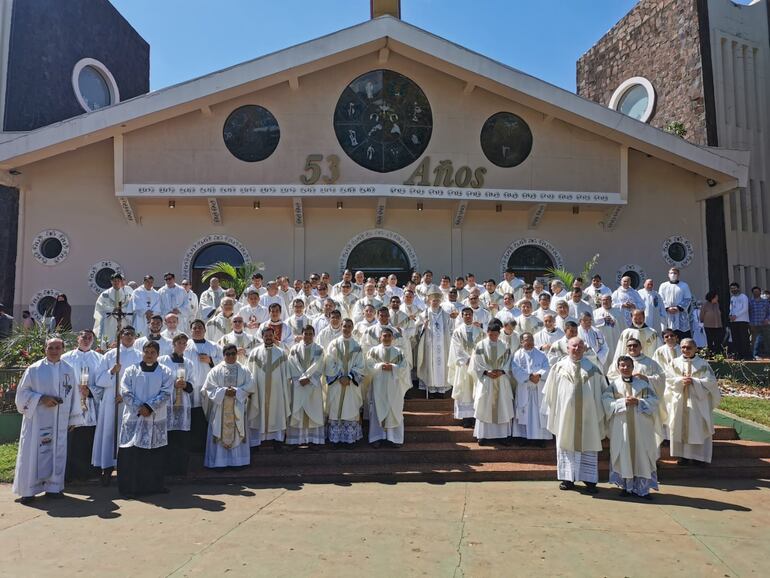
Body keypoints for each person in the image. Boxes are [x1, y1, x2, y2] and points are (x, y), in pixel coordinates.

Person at [13, 337, 84, 503]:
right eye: (51, 347)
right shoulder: (34, 369)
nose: (54, 351)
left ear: (63, 349)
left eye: (58, 348)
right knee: (32, 453)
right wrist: (41, 398)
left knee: (57, 452)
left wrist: (73, 418)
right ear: (45, 349)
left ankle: (54, 488)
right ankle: (28, 490)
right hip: (37, 421)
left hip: (59, 420)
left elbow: (74, 395)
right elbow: (22, 395)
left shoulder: (68, 369)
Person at [542, 337, 607, 494]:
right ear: (567, 348)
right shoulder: (558, 368)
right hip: (566, 415)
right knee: (566, 443)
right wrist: (554, 412)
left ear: (584, 349)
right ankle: (567, 478)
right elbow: (549, 394)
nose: (577, 348)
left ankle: (589, 479)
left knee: (588, 445)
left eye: (580, 346)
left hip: (588, 416)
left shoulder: (593, 369)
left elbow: (602, 393)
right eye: (573, 345)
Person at [117, 341, 173, 498]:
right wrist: (139, 407)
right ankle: (130, 488)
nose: (149, 354)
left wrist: (149, 407)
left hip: (155, 417)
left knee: (154, 454)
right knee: (132, 453)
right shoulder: (131, 370)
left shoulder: (165, 371)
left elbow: (166, 392)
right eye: (146, 351)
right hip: (135, 417)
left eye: (152, 352)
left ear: (158, 354)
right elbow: (125, 391)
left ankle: (154, 486)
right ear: (142, 352)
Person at [603, 356, 659, 499]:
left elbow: (654, 401)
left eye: (628, 366)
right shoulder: (613, 385)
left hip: (641, 428)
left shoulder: (643, 385)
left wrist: (639, 402)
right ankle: (626, 487)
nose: (625, 368)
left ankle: (643, 489)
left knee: (642, 454)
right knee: (624, 454)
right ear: (618, 367)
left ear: (633, 367)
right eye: (622, 366)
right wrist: (623, 402)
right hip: (622, 427)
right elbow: (606, 402)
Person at [92, 326, 142, 486]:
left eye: (132, 334)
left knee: (128, 433)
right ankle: (106, 467)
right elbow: (99, 380)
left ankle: (126, 468)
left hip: (130, 401)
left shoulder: (140, 356)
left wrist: (125, 395)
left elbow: (141, 380)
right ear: (120, 336)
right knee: (109, 432)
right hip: (111, 399)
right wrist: (112, 372)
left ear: (135, 337)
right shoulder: (109, 355)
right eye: (126, 334)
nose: (129, 337)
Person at [664, 338, 721, 465]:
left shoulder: (703, 364)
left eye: (689, 348)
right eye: (683, 347)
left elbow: (711, 382)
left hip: (697, 402)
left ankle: (698, 457)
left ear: (695, 348)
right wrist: (679, 381)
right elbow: (667, 380)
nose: (685, 350)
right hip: (679, 400)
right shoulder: (674, 363)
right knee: (679, 426)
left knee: (697, 428)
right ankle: (682, 456)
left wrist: (695, 382)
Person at [472, 319, 525, 446]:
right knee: (485, 405)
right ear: (487, 332)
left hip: (501, 380)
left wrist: (502, 372)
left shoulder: (505, 346)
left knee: (503, 406)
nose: (493, 336)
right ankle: (483, 435)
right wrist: (486, 372)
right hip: (486, 380)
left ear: (499, 333)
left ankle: (503, 435)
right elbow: (476, 362)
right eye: (491, 334)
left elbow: (509, 361)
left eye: (496, 334)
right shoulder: (480, 345)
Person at [202, 344, 255, 468]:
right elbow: (208, 388)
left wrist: (237, 391)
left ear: (237, 354)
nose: (231, 356)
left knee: (237, 432)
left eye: (233, 353)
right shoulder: (215, 370)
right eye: (228, 354)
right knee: (220, 432)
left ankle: (238, 462)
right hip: (220, 410)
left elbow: (251, 385)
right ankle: (219, 463)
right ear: (223, 355)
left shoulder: (244, 369)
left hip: (238, 409)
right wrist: (224, 391)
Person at [61, 330, 103, 482]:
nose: (86, 340)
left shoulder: (99, 359)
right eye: (83, 337)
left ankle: (89, 473)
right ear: (78, 339)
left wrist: (90, 390)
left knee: (88, 438)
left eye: (89, 338)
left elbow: (103, 383)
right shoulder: (66, 358)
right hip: (72, 404)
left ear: (93, 340)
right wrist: (75, 390)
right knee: (72, 439)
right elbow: (61, 380)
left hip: (91, 405)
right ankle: (70, 474)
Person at [248, 327, 291, 450]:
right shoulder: (254, 353)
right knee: (258, 413)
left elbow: (286, 375)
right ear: (262, 337)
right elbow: (250, 373)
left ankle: (277, 442)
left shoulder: (282, 353)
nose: (268, 337)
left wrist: (285, 391)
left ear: (274, 336)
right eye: (265, 335)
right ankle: (256, 442)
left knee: (277, 413)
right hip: (259, 391)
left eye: (270, 335)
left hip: (277, 392)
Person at [159, 334, 196, 475]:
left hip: (183, 404)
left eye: (184, 343)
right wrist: (172, 384)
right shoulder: (163, 360)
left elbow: (192, 385)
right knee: (167, 437)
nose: (181, 345)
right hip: (167, 404)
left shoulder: (189, 363)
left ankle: (181, 469)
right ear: (173, 344)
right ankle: (166, 469)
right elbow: (159, 381)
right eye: (179, 343)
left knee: (181, 437)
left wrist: (185, 384)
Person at [325, 318, 365, 446]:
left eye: (349, 326)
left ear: (352, 328)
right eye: (344, 326)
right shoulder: (333, 344)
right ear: (341, 327)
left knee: (350, 408)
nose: (346, 329)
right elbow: (329, 362)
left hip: (350, 384)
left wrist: (350, 377)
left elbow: (361, 365)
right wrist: (339, 377)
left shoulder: (357, 346)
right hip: (337, 383)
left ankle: (349, 440)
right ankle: (335, 440)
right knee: (336, 408)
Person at [366, 327, 409, 448]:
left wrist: (394, 367)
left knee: (394, 410)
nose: (387, 338)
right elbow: (369, 365)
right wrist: (380, 366)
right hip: (378, 386)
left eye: (389, 336)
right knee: (376, 410)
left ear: (393, 338)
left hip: (394, 387)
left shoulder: (399, 352)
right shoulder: (373, 351)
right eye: (384, 336)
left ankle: (394, 438)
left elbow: (404, 367)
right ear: (380, 337)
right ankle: (377, 437)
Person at [185, 319, 222, 453]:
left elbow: (223, 364)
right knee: (191, 417)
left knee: (204, 416)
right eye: (194, 328)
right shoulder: (185, 345)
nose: (197, 330)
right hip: (190, 387)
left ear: (205, 330)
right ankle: (191, 446)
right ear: (191, 330)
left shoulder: (213, 346)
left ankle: (204, 446)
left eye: (200, 327)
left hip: (207, 387)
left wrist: (211, 360)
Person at [286, 326, 326, 448]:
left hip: (313, 385)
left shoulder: (319, 349)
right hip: (299, 385)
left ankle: (314, 440)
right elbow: (291, 364)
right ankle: (296, 441)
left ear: (313, 335)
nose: (308, 336)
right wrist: (300, 379)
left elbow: (320, 364)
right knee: (298, 411)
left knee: (313, 411)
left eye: (310, 334)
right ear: (301, 334)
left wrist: (308, 378)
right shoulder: (294, 349)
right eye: (305, 333)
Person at [511, 332, 551, 445]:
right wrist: (529, 376)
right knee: (524, 412)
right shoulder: (517, 355)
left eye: (531, 340)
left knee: (539, 413)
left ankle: (540, 439)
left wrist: (539, 375)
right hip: (525, 388)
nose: (529, 342)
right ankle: (524, 438)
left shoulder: (541, 354)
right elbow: (515, 369)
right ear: (521, 342)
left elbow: (547, 367)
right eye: (526, 340)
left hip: (538, 387)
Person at [448, 307, 485, 428]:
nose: (468, 316)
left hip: (476, 366)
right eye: (465, 315)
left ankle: (475, 416)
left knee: (475, 389)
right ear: (462, 316)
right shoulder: (457, 332)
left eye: (470, 314)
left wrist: (474, 359)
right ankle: (465, 418)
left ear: (473, 315)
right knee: (464, 390)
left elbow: (483, 346)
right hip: (463, 366)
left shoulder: (479, 331)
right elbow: (456, 348)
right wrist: (467, 359)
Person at [416, 287, 454, 398]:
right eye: (433, 300)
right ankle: (431, 390)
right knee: (430, 365)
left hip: (443, 346)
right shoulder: (425, 314)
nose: (435, 302)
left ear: (440, 301)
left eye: (437, 300)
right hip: (429, 345)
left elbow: (451, 329)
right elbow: (417, 328)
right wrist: (424, 326)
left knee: (442, 365)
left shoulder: (446, 315)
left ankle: (441, 391)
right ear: (429, 301)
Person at [93, 273, 134, 343]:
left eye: (118, 280)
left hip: (123, 319)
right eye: (114, 281)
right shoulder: (105, 294)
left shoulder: (127, 294)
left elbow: (130, 305)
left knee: (123, 337)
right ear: (111, 281)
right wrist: (112, 309)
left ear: (121, 282)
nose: (116, 282)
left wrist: (122, 310)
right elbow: (100, 305)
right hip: (109, 320)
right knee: (109, 338)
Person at [658, 267, 692, 340]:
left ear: (678, 274)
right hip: (667, 314)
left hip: (680, 314)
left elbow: (688, 298)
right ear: (668, 274)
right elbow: (660, 299)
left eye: (675, 273)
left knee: (682, 336)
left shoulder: (684, 285)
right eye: (671, 273)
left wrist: (678, 308)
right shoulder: (663, 285)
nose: (673, 275)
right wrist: (667, 308)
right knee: (668, 333)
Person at [728, 282, 751, 360]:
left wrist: (736, 316)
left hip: (742, 320)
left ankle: (747, 356)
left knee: (744, 338)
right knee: (736, 339)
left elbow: (745, 309)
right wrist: (730, 315)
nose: (733, 290)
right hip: (734, 321)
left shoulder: (743, 297)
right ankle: (738, 355)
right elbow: (731, 309)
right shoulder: (732, 298)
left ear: (738, 288)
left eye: (734, 288)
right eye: (731, 289)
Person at [748, 286, 770, 359]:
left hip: (765, 325)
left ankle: (768, 355)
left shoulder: (765, 302)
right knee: (754, 342)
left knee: (767, 340)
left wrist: (767, 319)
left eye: (757, 291)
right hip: (754, 325)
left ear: (760, 292)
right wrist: (750, 323)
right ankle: (754, 355)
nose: (756, 293)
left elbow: (769, 312)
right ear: (752, 293)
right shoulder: (750, 302)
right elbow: (748, 313)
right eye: (754, 292)